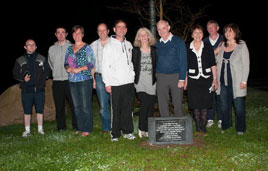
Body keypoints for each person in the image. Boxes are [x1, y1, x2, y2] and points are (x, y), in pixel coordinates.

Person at [102, 20, 135, 142]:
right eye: (118, 27)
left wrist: (133, 75)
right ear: (114, 30)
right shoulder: (109, 46)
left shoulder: (129, 44)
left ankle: (127, 131)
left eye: (123, 27)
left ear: (126, 30)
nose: (121, 29)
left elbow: (131, 62)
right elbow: (105, 65)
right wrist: (107, 83)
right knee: (116, 109)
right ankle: (115, 133)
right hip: (115, 83)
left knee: (128, 108)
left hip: (129, 81)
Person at [216, 23, 250, 135]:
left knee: (239, 107)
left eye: (230, 31)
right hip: (223, 82)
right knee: (225, 106)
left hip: (237, 82)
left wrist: (244, 80)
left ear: (235, 32)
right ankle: (226, 125)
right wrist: (217, 50)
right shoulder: (222, 45)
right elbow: (213, 59)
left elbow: (246, 64)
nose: (227, 33)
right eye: (226, 31)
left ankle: (240, 128)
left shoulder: (241, 45)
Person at [12, 39, 51, 137]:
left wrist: (41, 81)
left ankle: (40, 129)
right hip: (26, 91)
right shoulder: (20, 60)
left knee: (39, 110)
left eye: (33, 45)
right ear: (25, 47)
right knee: (27, 111)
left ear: (36, 47)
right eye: (29, 45)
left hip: (39, 90)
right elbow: (15, 73)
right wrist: (23, 79)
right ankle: (27, 131)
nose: (31, 46)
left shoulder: (42, 58)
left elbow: (48, 72)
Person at [184, 25, 218, 133]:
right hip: (193, 79)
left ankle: (203, 126)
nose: (198, 35)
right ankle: (198, 126)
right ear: (192, 35)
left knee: (205, 103)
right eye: (195, 33)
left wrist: (215, 79)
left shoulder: (208, 47)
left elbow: (213, 64)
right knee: (195, 103)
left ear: (203, 34)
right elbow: (184, 66)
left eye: (200, 33)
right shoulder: (187, 47)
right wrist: (185, 80)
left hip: (206, 79)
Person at [64, 25, 95, 136]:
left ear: (82, 34)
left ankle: (87, 128)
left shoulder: (87, 47)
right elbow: (66, 63)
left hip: (84, 79)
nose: (76, 35)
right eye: (74, 33)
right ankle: (80, 127)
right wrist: (68, 69)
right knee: (76, 106)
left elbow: (91, 63)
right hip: (72, 80)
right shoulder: (69, 48)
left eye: (79, 33)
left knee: (85, 105)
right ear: (72, 35)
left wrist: (79, 69)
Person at [155, 20, 187, 117]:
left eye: (163, 28)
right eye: (159, 29)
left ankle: (179, 127)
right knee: (162, 104)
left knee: (177, 104)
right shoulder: (157, 44)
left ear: (168, 28)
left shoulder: (178, 42)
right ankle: (165, 126)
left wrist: (182, 79)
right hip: (161, 77)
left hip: (176, 77)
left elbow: (183, 61)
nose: (161, 31)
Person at [48, 27, 78, 131]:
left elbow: (76, 62)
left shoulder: (72, 47)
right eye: (58, 33)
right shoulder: (51, 49)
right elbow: (51, 63)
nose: (60, 35)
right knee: (59, 105)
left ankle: (76, 126)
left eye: (63, 33)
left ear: (66, 34)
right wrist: (56, 72)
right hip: (57, 81)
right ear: (55, 34)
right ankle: (61, 127)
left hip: (70, 80)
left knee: (74, 105)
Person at [132, 27, 157, 138]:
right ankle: (141, 128)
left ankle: (148, 129)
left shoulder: (154, 50)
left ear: (148, 36)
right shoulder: (135, 51)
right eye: (141, 35)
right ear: (138, 38)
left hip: (152, 82)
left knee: (150, 106)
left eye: (145, 34)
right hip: (140, 82)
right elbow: (132, 66)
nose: (143, 37)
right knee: (144, 103)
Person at [90, 23, 111, 133]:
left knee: (115, 104)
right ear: (97, 32)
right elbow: (91, 64)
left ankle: (116, 126)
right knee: (103, 105)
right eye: (99, 30)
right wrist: (93, 79)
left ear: (108, 31)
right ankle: (106, 127)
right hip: (99, 77)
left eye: (104, 30)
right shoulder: (93, 45)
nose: (102, 32)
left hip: (113, 77)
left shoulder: (114, 43)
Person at [203, 20, 224, 128]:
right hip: (208, 71)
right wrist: (216, 50)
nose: (210, 29)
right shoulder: (204, 41)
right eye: (208, 27)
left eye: (212, 27)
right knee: (210, 95)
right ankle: (210, 118)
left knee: (220, 95)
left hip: (222, 70)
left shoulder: (224, 39)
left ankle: (220, 119)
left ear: (217, 28)